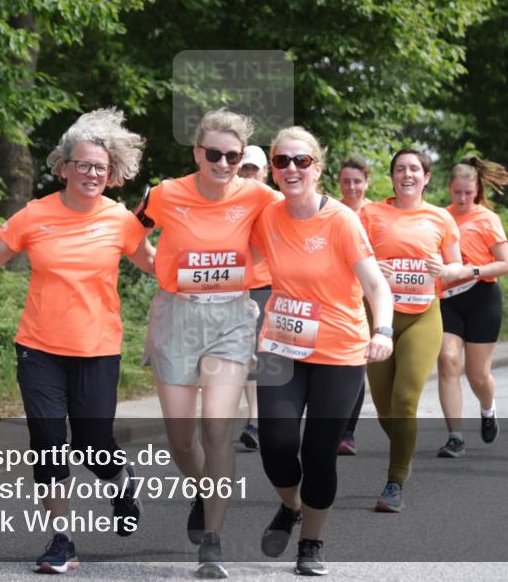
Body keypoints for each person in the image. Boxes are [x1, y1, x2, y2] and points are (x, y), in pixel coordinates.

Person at [0, 109, 155, 574]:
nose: (91, 173)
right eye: (82, 164)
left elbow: (154, 264)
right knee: (46, 440)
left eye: (100, 167)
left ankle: (121, 483)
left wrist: (207, 275)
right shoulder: (35, 214)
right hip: (39, 347)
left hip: (98, 349)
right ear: (62, 167)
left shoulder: (121, 221)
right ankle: (62, 539)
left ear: (112, 172)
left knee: (93, 445)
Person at [135, 108, 278, 578]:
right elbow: (129, 234)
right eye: (213, 153)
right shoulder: (166, 193)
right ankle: (204, 488)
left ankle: (212, 543)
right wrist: (155, 265)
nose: (222, 163)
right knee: (180, 439)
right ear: (197, 152)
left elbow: (301, 229)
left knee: (218, 428)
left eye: (232, 155)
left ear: (242, 157)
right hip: (177, 315)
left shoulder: (259, 195)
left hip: (232, 318)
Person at [251, 127, 393, 576]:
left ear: (318, 167)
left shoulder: (341, 221)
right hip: (282, 345)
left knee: (317, 453)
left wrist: (384, 329)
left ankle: (311, 542)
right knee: (274, 443)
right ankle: (293, 506)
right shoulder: (267, 215)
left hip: (339, 351)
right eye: (282, 162)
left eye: (301, 161)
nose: (291, 169)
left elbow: (375, 285)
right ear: (272, 168)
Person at [360, 148, 465, 513]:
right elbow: (348, 261)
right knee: (386, 408)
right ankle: (404, 447)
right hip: (377, 317)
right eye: (400, 169)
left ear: (426, 177)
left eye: (414, 169)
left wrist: (447, 271)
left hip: (423, 315)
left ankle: (395, 481)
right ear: (392, 177)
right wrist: (374, 270)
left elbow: (458, 269)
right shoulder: (370, 213)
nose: (407, 174)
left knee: (405, 400)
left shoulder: (440, 218)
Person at [435, 156, 508, 458]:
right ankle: (455, 436)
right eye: (457, 192)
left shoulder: (487, 219)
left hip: (482, 298)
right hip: (448, 300)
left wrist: (472, 270)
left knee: (477, 375)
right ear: (449, 189)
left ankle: (487, 408)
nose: (463, 198)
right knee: (447, 360)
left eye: (469, 193)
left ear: (477, 189)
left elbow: (506, 264)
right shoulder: (439, 217)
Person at [236, 145, 279, 451]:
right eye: (245, 169)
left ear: (265, 173)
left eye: (254, 169)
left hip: (267, 286)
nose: (249, 174)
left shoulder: (275, 203)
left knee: (261, 356)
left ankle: (258, 421)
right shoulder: (228, 201)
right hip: (233, 288)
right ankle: (257, 420)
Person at [336, 156, 372, 456]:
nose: (351, 187)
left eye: (357, 181)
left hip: (369, 298)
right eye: (346, 181)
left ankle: (347, 431)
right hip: (336, 297)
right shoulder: (330, 212)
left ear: (366, 183)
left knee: (357, 364)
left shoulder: (375, 214)